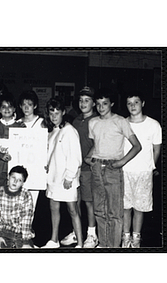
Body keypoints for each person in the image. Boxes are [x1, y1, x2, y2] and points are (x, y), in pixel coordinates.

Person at [85, 88, 141, 248]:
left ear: (112, 104)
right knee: (99, 210)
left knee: (114, 212)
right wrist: (89, 158)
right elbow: (97, 145)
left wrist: (121, 162)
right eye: (98, 104)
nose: (101, 107)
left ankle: (114, 247)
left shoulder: (120, 121)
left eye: (105, 103)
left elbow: (137, 146)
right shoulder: (93, 122)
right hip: (96, 168)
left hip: (113, 168)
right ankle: (104, 244)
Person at [41, 97, 83, 248]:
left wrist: (70, 177)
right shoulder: (53, 131)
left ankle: (80, 244)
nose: (54, 116)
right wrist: (47, 165)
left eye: (57, 113)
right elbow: (51, 154)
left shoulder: (69, 130)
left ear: (63, 112)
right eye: (51, 113)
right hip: (53, 177)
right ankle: (54, 240)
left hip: (67, 178)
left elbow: (75, 157)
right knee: (54, 207)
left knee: (73, 210)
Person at [121, 91, 162, 248]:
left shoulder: (153, 125)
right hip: (125, 171)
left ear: (143, 103)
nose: (133, 106)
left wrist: (150, 167)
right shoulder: (122, 123)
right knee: (125, 206)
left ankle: (136, 237)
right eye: (129, 103)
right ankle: (126, 237)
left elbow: (156, 150)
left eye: (136, 102)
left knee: (140, 207)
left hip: (144, 172)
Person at [61, 87, 99, 248]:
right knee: (74, 201)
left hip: (88, 169)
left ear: (94, 103)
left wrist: (89, 157)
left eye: (87, 100)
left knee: (89, 202)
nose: (83, 103)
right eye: (81, 100)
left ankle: (92, 235)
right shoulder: (76, 121)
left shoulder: (97, 120)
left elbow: (99, 143)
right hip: (75, 169)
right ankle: (77, 233)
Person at [0, 165, 34, 248]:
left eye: (19, 180)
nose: (15, 181)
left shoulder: (26, 194)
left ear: (23, 182)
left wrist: (25, 241)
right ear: (8, 177)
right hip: (3, 232)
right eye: (13, 177)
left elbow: (27, 219)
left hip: (21, 233)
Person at [16, 90, 45, 209]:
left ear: (35, 106)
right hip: (20, 166)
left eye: (30, 104)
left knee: (31, 203)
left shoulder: (42, 123)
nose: (26, 108)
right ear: (20, 106)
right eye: (24, 105)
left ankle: (27, 226)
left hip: (36, 168)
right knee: (18, 202)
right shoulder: (16, 124)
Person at [0, 92, 24, 188]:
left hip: (16, 172)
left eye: (9, 106)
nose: (7, 109)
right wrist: (0, 155)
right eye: (3, 107)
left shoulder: (21, 128)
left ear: (14, 109)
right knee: (0, 199)